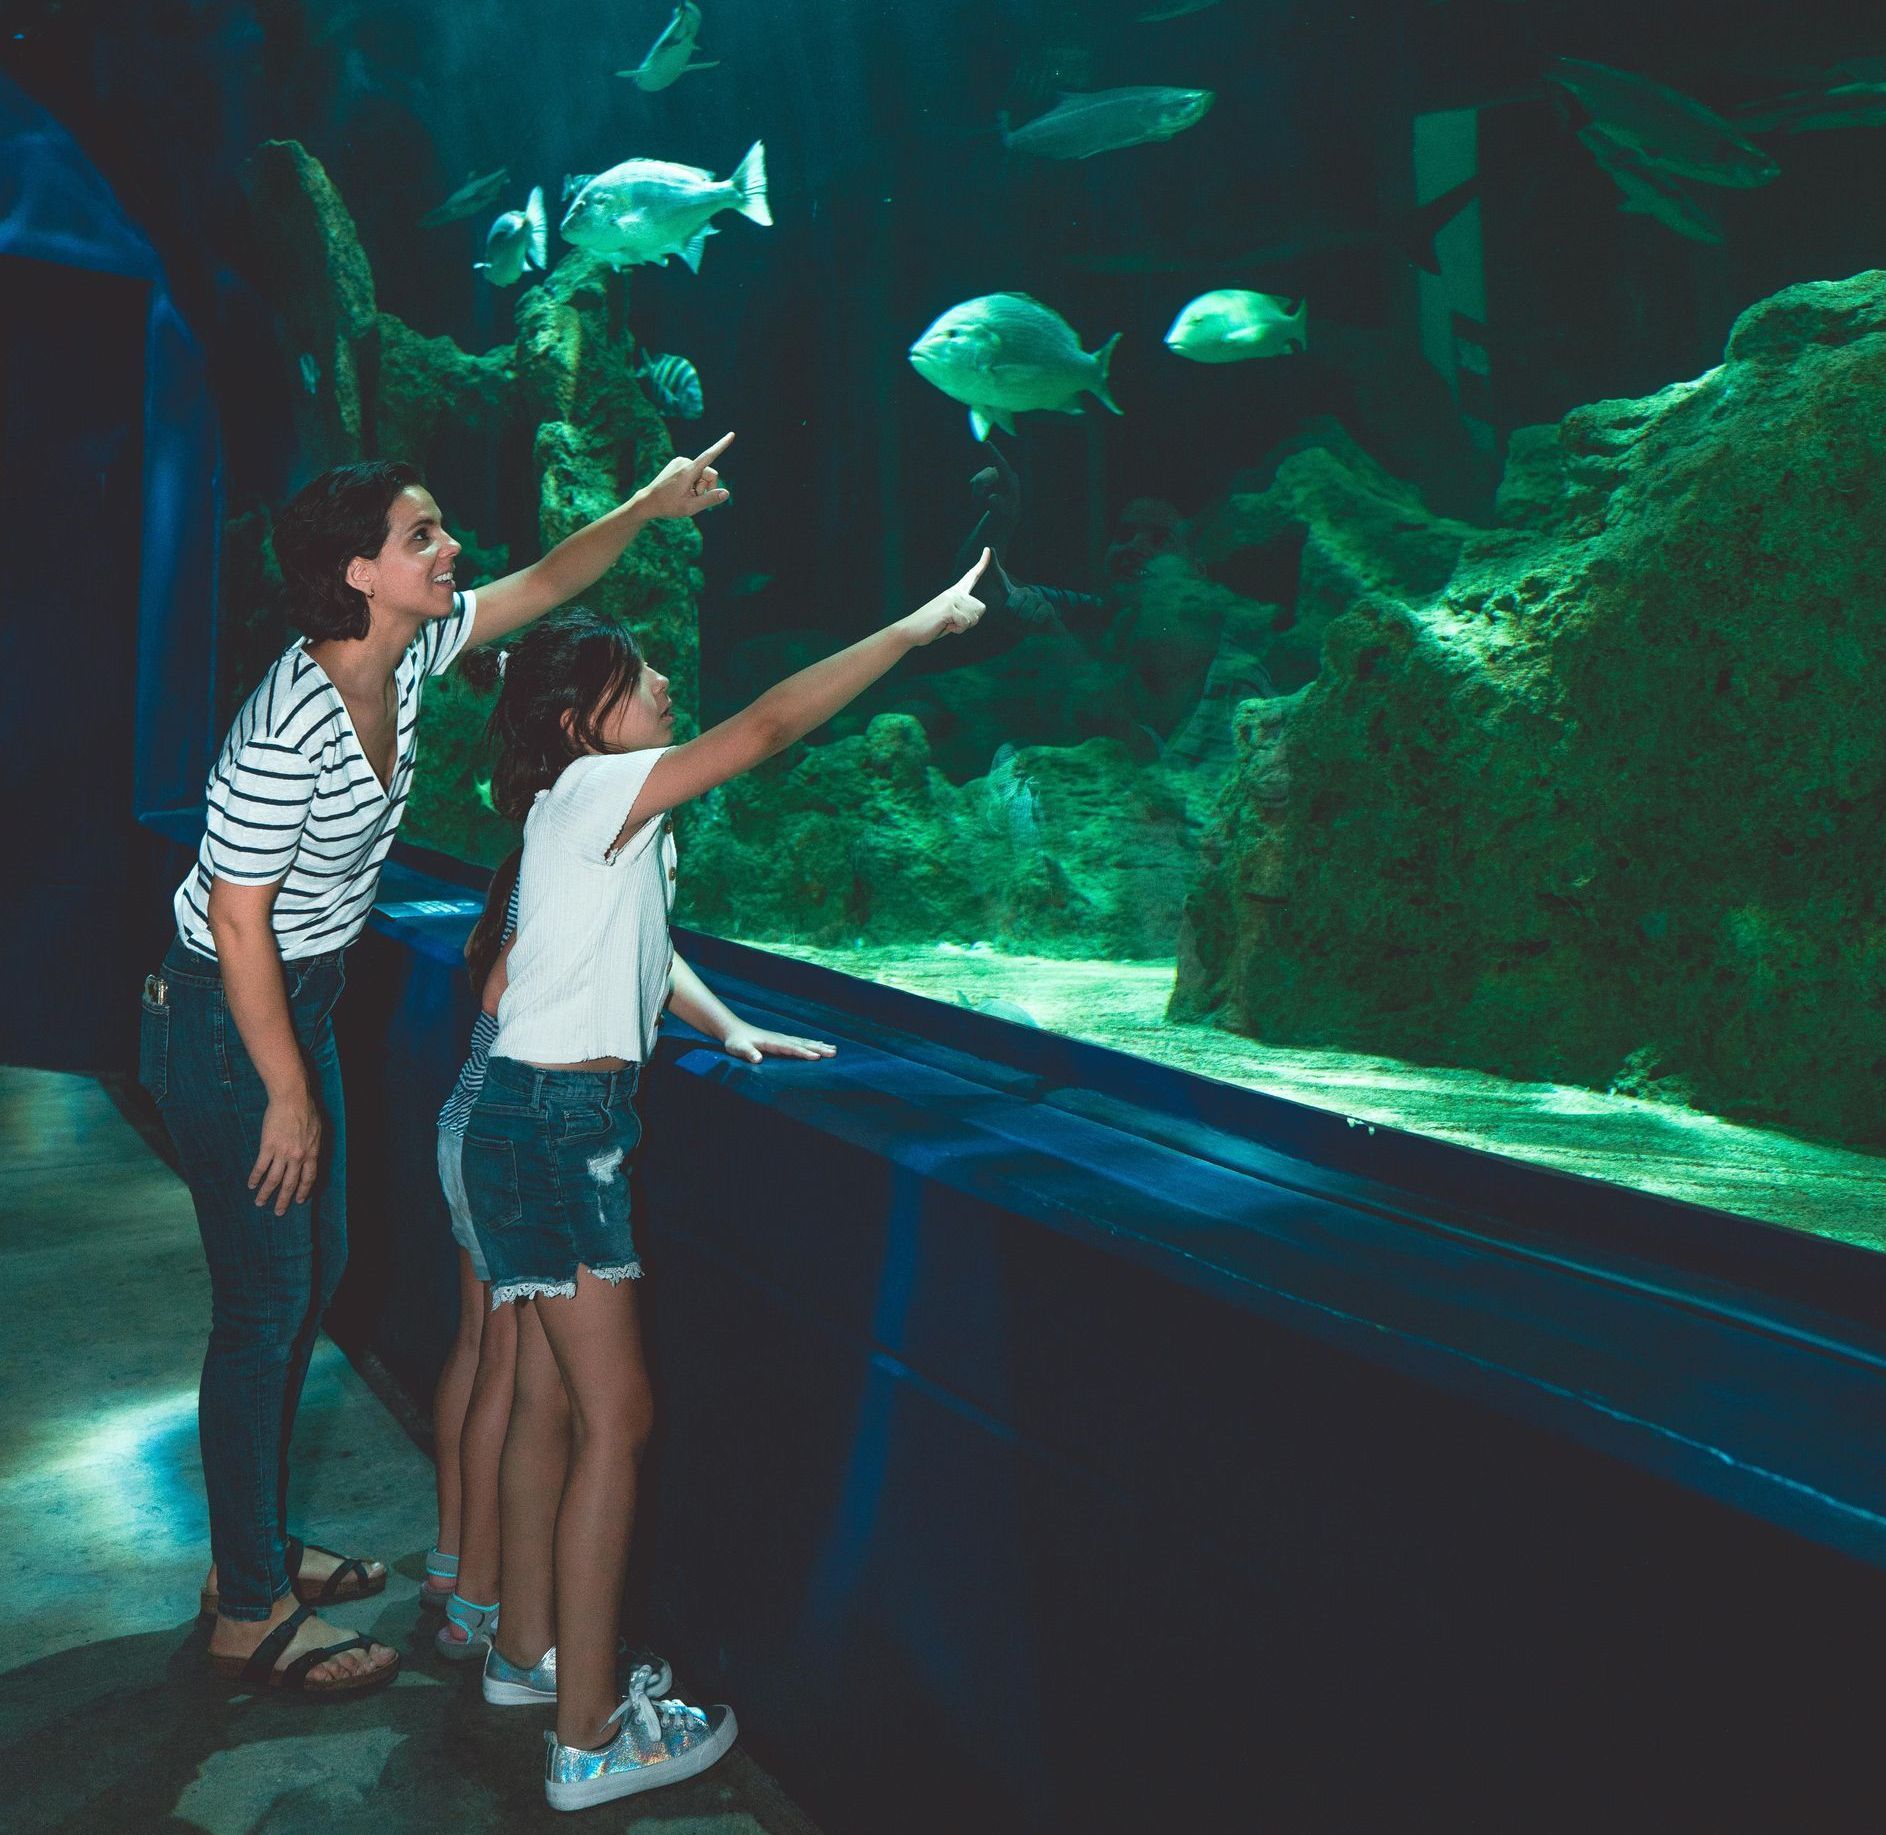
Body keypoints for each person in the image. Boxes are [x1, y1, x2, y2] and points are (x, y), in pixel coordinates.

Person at [136, 435, 732, 1697]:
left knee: (314, 1271)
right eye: (422, 536)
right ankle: (246, 1605)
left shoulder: (405, 655)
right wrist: (287, 1089)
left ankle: (249, 1547)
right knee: (262, 1304)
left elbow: (545, 584)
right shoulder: (281, 726)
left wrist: (650, 500)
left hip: (293, 999)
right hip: (221, 1013)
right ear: (357, 571)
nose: (449, 550)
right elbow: (236, 919)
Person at [465, 550, 990, 1809]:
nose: (659, 682)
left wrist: (721, 1022)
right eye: (632, 675)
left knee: (546, 1403)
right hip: (565, 1126)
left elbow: (558, 968)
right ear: (578, 718)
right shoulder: (604, 787)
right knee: (619, 1420)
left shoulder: (572, 808)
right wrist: (908, 629)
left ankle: (527, 1651)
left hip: (516, 1113)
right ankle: (590, 1736)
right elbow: (763, 727)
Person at [421, 848, 522, 1658]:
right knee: (509, 1366)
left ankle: (452, 1558)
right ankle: (479, 1601)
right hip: (506, 1135)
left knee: (474, 1340)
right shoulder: (583, 845)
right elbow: (505, 987)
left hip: (463, 1117)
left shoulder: (525, 855)